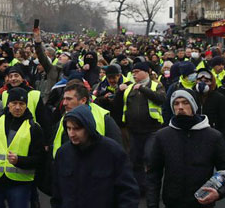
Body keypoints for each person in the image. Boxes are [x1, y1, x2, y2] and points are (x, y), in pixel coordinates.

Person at [147, 90, 225, 208]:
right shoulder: (163, 136)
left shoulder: (213, 136)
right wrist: (152, 205)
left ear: (194, 106)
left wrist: (219, 193)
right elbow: (153, 174)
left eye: (185, 102)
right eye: (176, 104)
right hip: (172, 203)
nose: (180, 107)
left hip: (202, 203)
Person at [51, 105, 139, 208]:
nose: (71, 134)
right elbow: (57, 194)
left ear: (88, 127)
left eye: (76, 129)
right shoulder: (63, 154)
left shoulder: (112, 151)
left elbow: (128, 192)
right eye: (69, 128)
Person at [0, 87, 44, 208]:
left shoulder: (34, 128)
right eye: (14, 103)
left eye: (22, 104)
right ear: (8, 104)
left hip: (19, 184)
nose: (18, 107)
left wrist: (20, 161)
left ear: (26, 105)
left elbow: (40, 159)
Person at [116, 61, 165, 194]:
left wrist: (142, 89)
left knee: (150, 158)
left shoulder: (156, 85)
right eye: (133, 72)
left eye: (137, 72)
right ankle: (140, 187)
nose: (134, 75)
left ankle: (152, 187)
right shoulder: (129, 86)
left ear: (146, 72)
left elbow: (161, 99)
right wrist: (119, 91)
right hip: (134, 130)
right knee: (135, 160)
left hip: (152, 130)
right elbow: (119, 103)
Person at [52, 82, 122, 158]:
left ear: (83, 100)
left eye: (69, 99)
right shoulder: (64, 119)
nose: (64, 103)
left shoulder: (104, 119)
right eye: (64, 99)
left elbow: (117, 152)